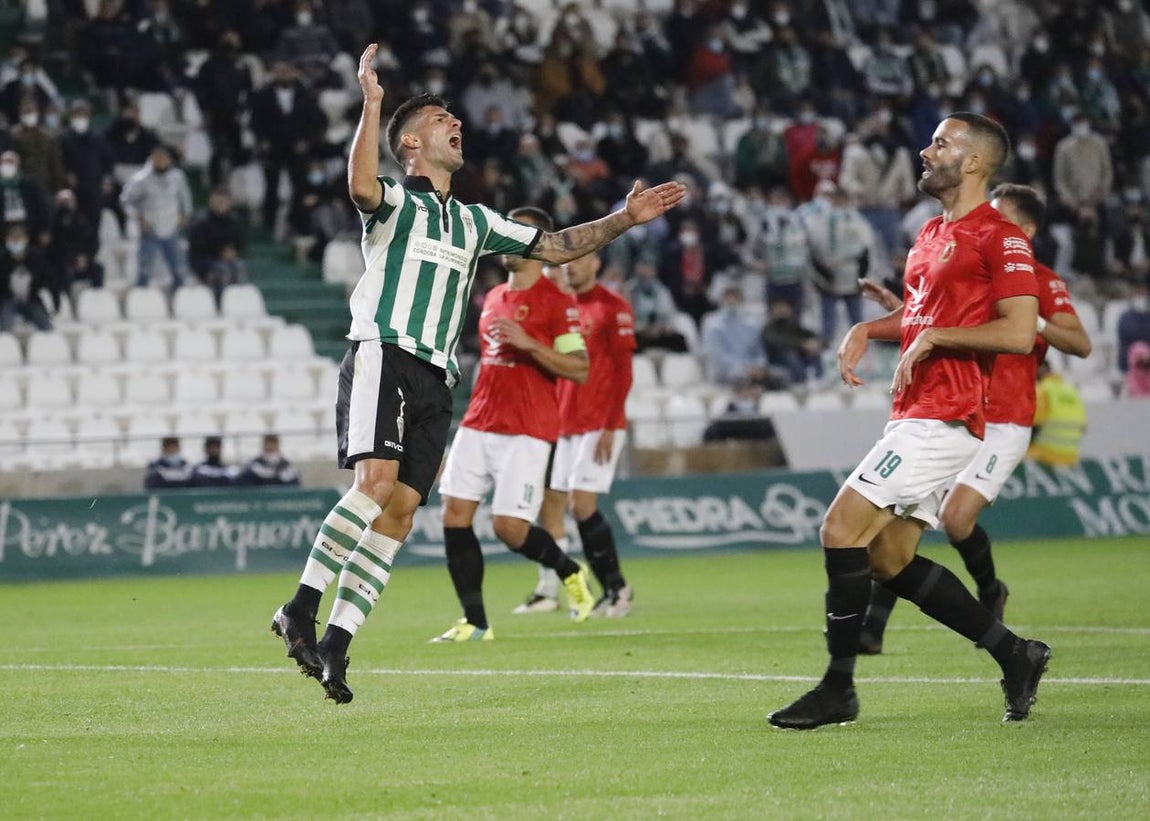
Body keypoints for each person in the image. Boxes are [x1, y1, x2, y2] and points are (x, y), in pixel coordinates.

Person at [269, 44, 686, 705]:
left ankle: (338, 642)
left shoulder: (473, 221)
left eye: (455, 119)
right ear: (411, 142)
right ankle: (300, 606)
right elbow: (358, 186)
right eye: (441, 120)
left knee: (401, 512)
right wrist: (373, 103)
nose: (455, 124)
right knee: (375, 485)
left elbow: (553, 246)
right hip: (384, 349)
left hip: (438, 376)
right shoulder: (394, 205)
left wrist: (624, 220)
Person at [768, 113, 1051, 731]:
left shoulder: (1001, 238)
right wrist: (868, 329)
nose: (926, 151)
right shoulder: (928, 232)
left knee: (840, 530)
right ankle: (1015, 653)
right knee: (889, 560)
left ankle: (837, 689)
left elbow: (1020, 332)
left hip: (946, 415)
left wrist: (936, 338)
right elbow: (921, 321)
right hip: (914, 411)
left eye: (942, 143)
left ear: (975, 162)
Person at [854, 183, 1093, 655]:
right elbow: (939, 320)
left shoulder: (1038, 280)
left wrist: (1032, 316)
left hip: (1004, 419)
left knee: (955, 519)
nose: (987, 223)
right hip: (955, 410)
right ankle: (872, 630)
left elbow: (1081, 344)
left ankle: (990, 590)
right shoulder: (971, 265)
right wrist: (899, 313)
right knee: (901, 515)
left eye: (1000, 218)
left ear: (1025, 229)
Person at [434, 206, 594, 641]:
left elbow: (579, 369)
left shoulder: (557, 304)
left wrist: (528, 344)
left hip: (527, 428)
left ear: (541, 245)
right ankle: (475, 620)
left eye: (522, 232)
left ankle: (569, 571)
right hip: (479, 420)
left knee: (509, 529)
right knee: (453, 513)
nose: (510, 238)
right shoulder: (492, 299)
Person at [514, 250, 636, 617]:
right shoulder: (562, 308)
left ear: (597, 263)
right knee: (566, 505)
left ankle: (617, 588)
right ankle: (606, 589)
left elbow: (624, 371)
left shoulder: (612, 307)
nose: (571, 266)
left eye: (580, 260)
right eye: (568, 261)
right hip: (564, 423)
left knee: (581, 505)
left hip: (599, 422)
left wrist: (613, 425)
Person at [120, 144, 193, 290]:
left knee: (178, 267)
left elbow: (184, 197)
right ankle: (140, 296)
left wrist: (185, 213)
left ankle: (178, 297)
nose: (161, 161)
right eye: (157, 158)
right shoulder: (140, 179)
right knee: (145, 269)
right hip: (150, 229)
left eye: (164, 158)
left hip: (171, 227)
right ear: (152, 159)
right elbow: (126, 201)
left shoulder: (177, 177)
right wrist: (138, 217)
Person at [1027, 361, 1088, 467]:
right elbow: (1084, 428)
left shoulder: (1042, 390)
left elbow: (1033, 426)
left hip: (1045, 455)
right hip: (1071, 456)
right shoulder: (1071, 390)